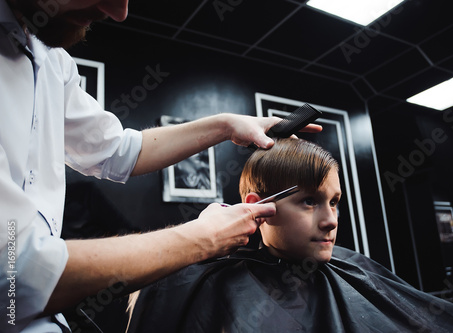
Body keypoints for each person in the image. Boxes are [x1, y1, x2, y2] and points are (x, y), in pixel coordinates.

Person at [0, 1, 322, 332]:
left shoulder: (54, 62)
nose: (119, 12)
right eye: (310, 200)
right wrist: (202, 237)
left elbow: (117, 150)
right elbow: (13, 277)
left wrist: (227, 125)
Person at [127, 138, 453, 333]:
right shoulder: (212, 281)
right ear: (259, 207)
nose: (330, 220)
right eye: (309, 202)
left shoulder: (354, 268)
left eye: (334, 202)